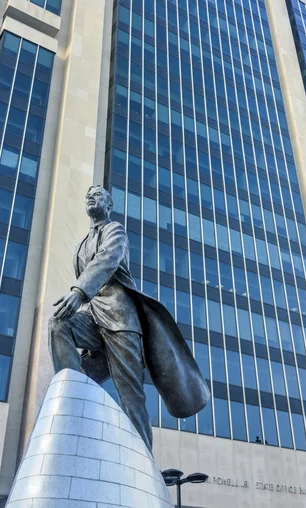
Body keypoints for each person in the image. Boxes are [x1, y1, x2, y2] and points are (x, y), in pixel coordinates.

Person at [49, 185, 210, 452]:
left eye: (98, 194)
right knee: (58, 323)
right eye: (88, 194)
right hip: (94, 319)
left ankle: (144, 461)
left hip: (121, 321)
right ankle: (73, 398)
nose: (91, 196)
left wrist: (78, 293)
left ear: (109, 205)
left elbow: (107, 260)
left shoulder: (115, 230)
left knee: (131, 397)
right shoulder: (80, 245)